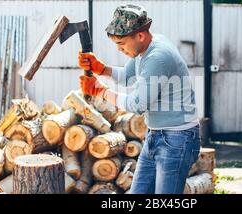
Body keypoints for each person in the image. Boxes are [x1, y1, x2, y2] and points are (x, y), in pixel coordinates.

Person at [77, 4, 200, 194]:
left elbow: (137, 104)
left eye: (121, 43)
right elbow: (128, 75)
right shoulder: (145, 48)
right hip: (156, 135)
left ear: (140, 35)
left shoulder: (158, 57)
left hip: (177, 139)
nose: (119, 49)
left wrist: (99, 90)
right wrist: (101, 68)